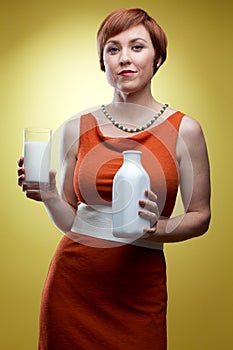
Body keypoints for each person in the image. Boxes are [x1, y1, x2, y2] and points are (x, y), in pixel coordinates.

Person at [17, 8, 211, 350]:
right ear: (102, 63)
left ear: (158, 58)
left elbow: (200, 215)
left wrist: (158, 227)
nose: (124, 58)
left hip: (139, 288)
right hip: (73, 286)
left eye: (137, 47)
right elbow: (72, 221)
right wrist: (48, 195)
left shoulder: (185, 130)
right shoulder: (77, 127)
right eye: (112, 48)